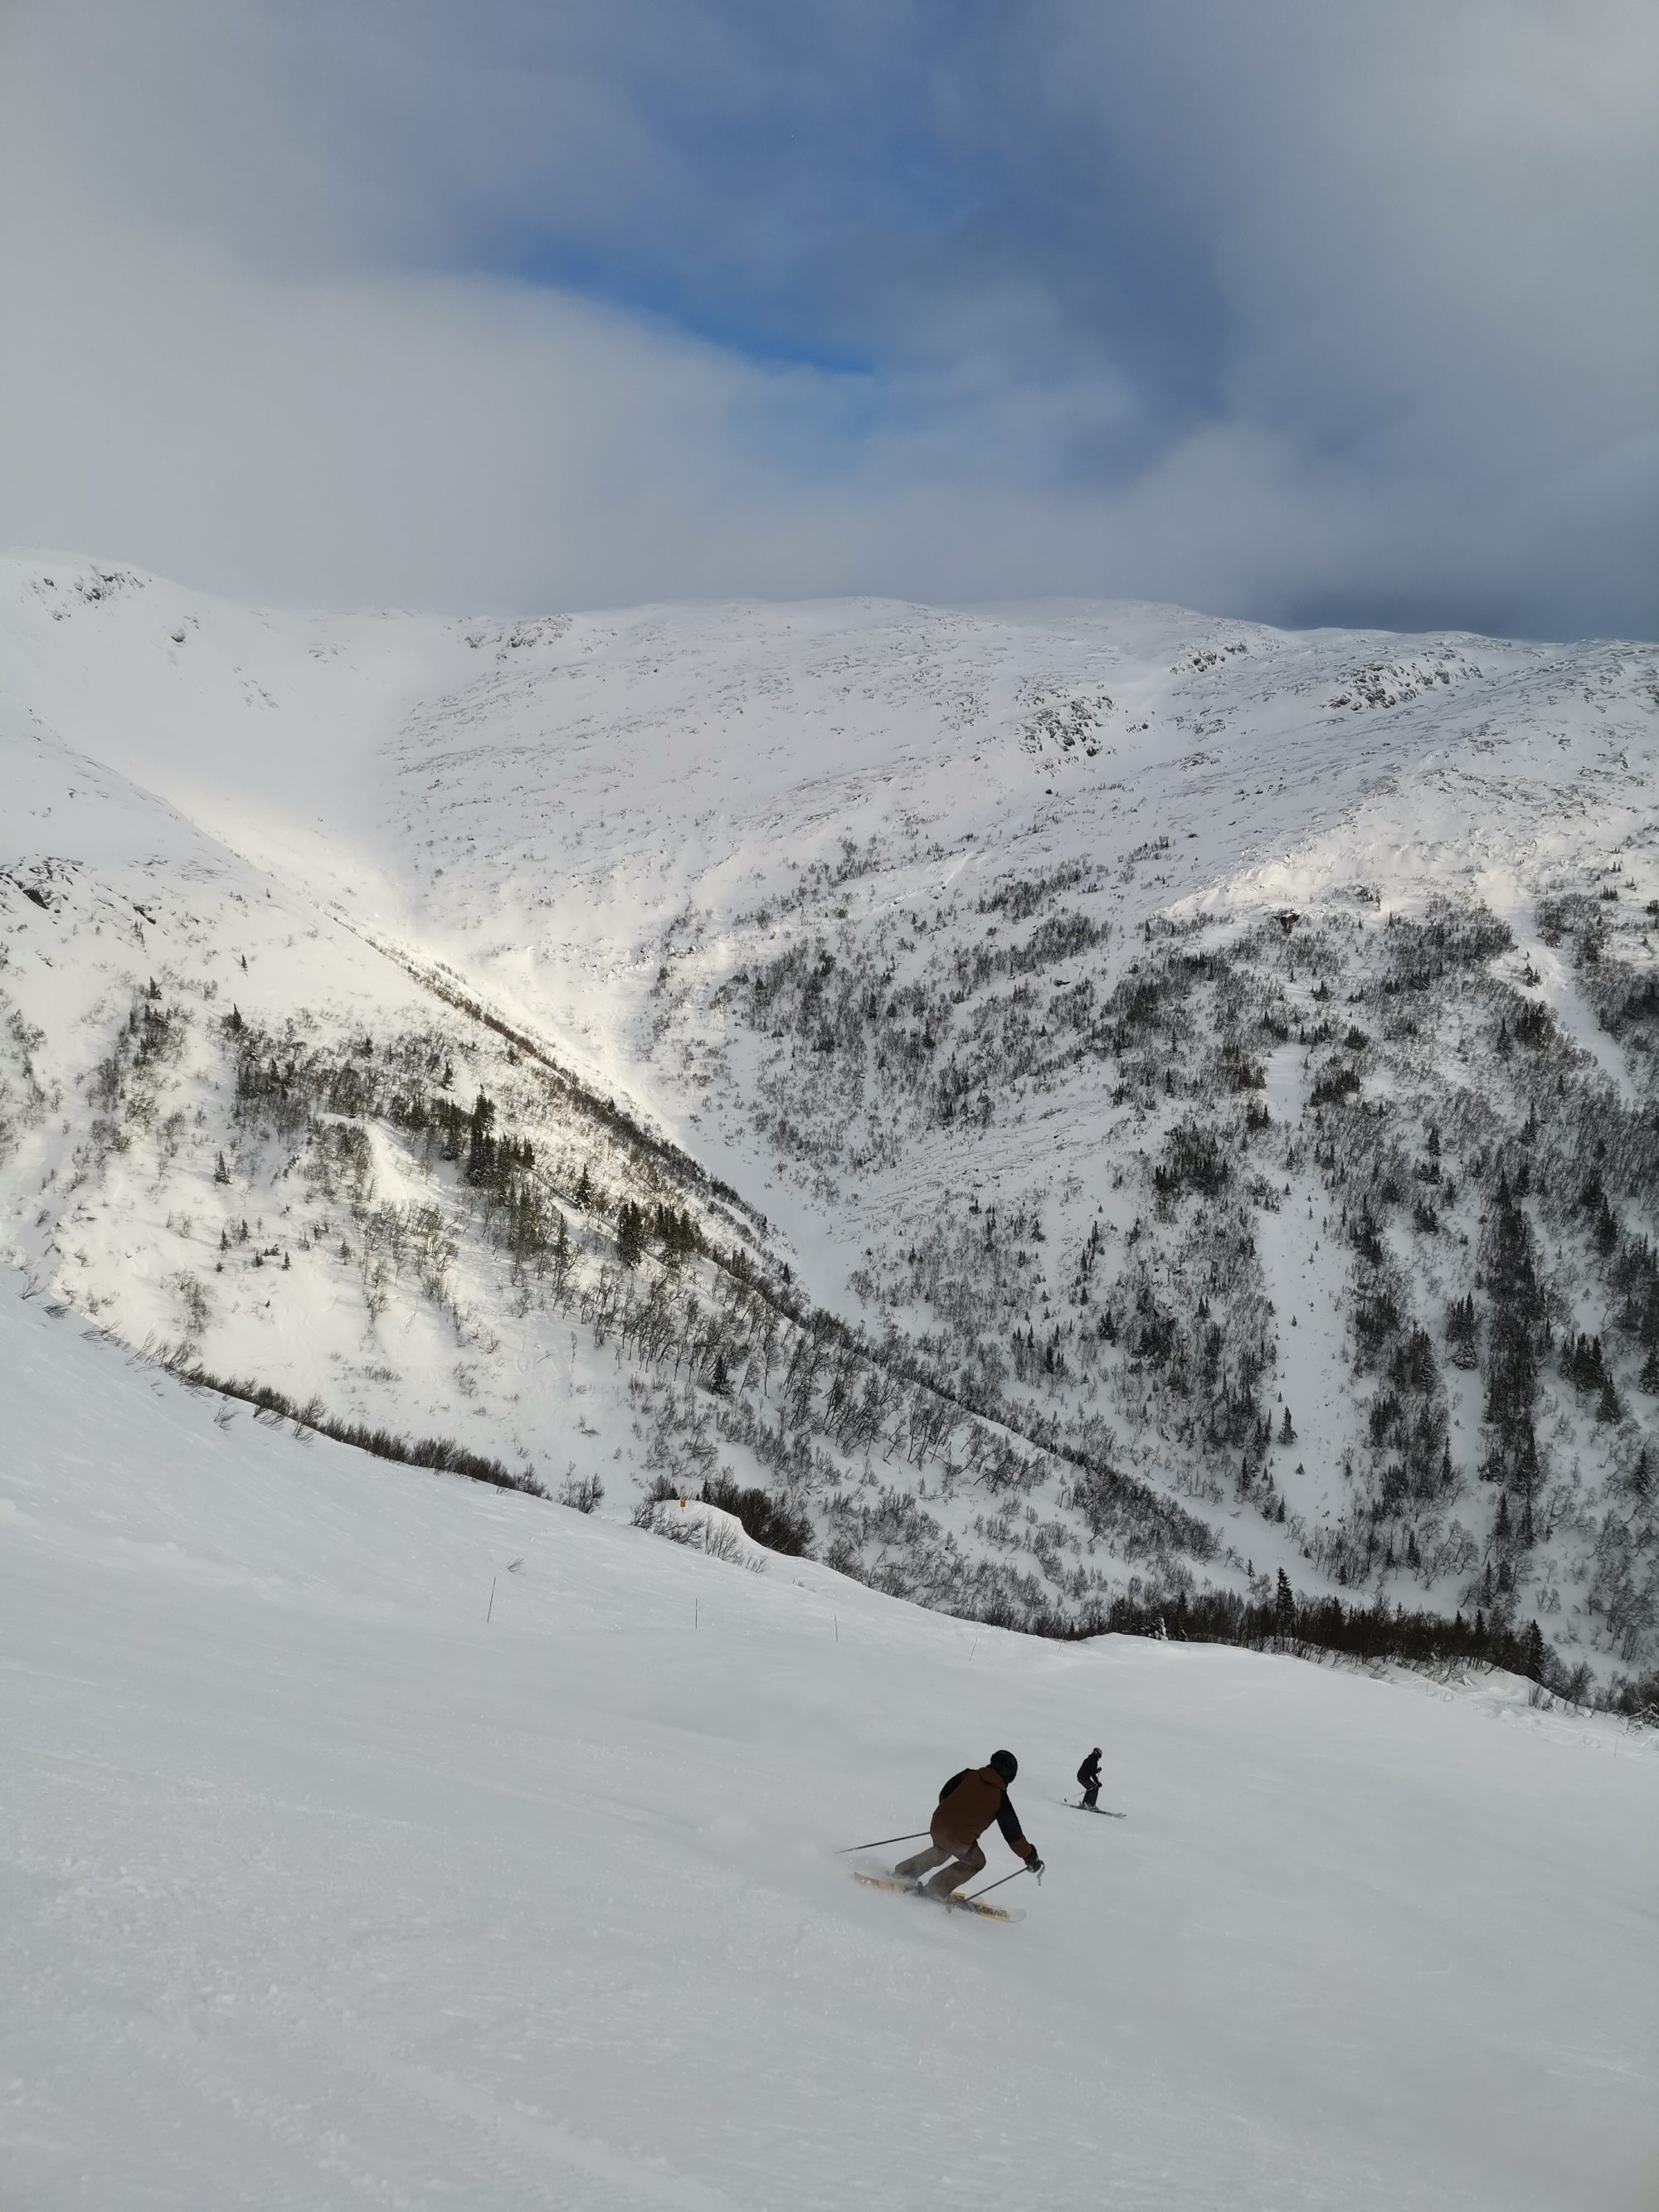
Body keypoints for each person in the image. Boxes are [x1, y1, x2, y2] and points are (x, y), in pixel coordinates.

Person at [894, 1749, 1042, 1899]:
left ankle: (904, 1872)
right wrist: (1030, 1857)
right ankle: (935, 1889)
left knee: (942, 1851)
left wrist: (948, 1820)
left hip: (938, 1825)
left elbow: (945, 1792)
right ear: (1010, 1775)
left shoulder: (969, 1774)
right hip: (958, 1839)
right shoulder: (1001, 1799)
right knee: (977, 1861)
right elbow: (1013, 1836)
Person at [1077, 1747, 1103, 1811]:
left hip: (1081, 1777)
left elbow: (1090, 1770)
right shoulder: (1093, 1761)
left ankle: (1085, 1804)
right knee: (1095, 1788)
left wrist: (1097, 1770)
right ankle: (1091, 1805)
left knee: (1090, 1788)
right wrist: (1097, 1783)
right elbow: (1092, 1773)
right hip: (1083, 1778)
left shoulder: (1090, 1759)